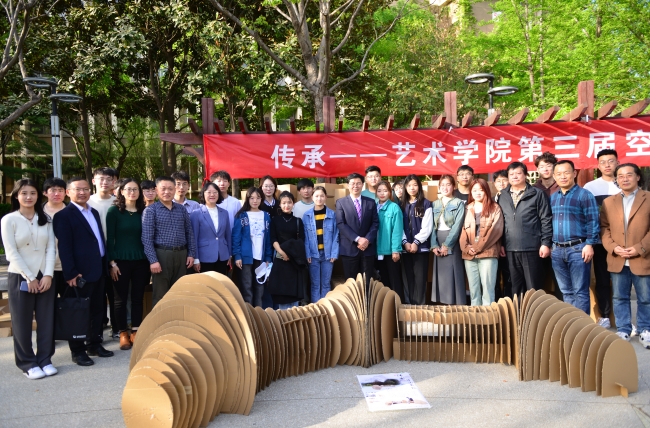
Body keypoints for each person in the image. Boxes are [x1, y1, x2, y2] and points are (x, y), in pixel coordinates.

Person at [53, 177, 114, 366]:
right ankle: (78, 350)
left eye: (85, 189)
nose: (82, 192)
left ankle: (94, 344)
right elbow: (64, 247)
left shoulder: (93, 212)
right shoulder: (64, 216)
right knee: (79, 312)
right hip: (79, 274)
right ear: (68, 192)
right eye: (77, 189)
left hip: (98, 269)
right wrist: (70, 273)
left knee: (97, 310)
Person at [1, 180, 56, 379]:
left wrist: (48, 275)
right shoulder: (9, 219)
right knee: (22, 322)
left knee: (46, 321)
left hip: (44, 275)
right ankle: (27, 363)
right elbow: (11, 253)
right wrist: (30, 278)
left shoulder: (45, 219)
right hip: (20, 276)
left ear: (38, 195)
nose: (28, 197)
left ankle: (45, 360)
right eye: (24, 193)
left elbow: (51, 248)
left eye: (32, 193)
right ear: (16, 196)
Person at [601, 163, 650, 347]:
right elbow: (604, 228)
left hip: (642, 257)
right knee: (619, 297)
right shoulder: (609, 202)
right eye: (620, 176)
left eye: (629, 175)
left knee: (645, 298)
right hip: (618, 258)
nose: (624, 179)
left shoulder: (648, 198)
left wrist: (640, 248)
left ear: (638, 177)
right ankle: (623, 329)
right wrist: (613, 247)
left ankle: (645, 330)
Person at [549, 160, 600, 314]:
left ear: (574, 173)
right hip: (557, 249)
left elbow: (593, 221)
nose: (563, 176)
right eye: (559, 174)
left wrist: (590, 244)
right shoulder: (553, 197)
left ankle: (582, 326)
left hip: (578, 249)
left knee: (580, 291)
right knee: (566, 291)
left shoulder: (584, 195)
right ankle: (572, 324)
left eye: (566, 172)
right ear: (554, 177)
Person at [106, 179, 150, 350]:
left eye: (135, 189)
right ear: (122, 191)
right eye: (128, 189)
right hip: (120, 262)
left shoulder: (144, 211)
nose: (132, 192)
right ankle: (123, 332)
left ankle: (135, 331)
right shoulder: (114, 212)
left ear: (140, 192)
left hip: (141, 261)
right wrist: (112, 263)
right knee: (120, 300)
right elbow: (110, 238)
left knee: (137, 298)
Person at [498, 162, 553, 296]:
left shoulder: (537, 194)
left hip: (532, 247)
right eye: (511, 174)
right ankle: (518, 309)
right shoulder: (503, 195)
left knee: (533, 286)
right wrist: (501, 244)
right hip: (510, 248)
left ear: (525, 175)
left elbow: (546, 219)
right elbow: (500, 222)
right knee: (514, 286)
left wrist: (546, 243)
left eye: (518, 173)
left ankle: (534, 310)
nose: (514, 176)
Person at [141, 176, 196, 306]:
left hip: (182, 254)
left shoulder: (181, 209)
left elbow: (189, 232)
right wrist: (153, 261)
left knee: (180, 291)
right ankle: (160, 319)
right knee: (161, 294)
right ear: (156, 190)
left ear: (175, 190)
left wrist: (191, 254)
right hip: (162, 255)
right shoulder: (150, 211)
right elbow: (147, 239)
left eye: (170, 189)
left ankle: (178, 318)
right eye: (163, 189)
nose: (167, 192)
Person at [584, 149, 620, 328]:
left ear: (617, 163)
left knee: (623, 280)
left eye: (611, 161)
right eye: (603, 162)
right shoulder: (591, 187)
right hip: (600, 241)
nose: (607, 165)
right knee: (603, 279)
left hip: (624, 242)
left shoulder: (624, 183)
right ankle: (605, 315)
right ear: (598, 165)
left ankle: (624, 320)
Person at [460, 179, 504, 306]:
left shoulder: (495, 207)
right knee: (473, 291)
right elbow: (462, 231)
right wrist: (466, 248)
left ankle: (488, 316)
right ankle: (475, 316)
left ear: (486, 191)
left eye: (481, 190)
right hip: (469, 254)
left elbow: (496, 230)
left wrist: (478, 247)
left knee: (488, 290)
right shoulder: (467, 208)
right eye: (474, 190)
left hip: (488, 253)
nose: (477, 193)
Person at [88, 167, 118, 337]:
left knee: (115, 293)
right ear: (94, 181)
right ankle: (97, 330)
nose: (105, 182)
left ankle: (117, 328)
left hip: (114, 254)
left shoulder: (118, 202)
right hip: (95, 255)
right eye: (101, 179)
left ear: (114, 181)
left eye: (109, 179)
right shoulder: (87, 202)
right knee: (97, 295)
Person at [336, 173, 379, 287]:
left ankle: (367, 299)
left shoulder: (370, 202)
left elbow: (375, 223)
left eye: (358, 183)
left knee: (367, 282)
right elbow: (341, 223)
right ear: (348, 185)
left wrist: (367, 240)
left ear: (362, 185)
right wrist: (358, 239)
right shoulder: (341, 202)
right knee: (351, 283)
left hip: (368, 248)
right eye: (352, 183)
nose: (355, 186)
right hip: (349, 248)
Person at [232, 187, 273, 307]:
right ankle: (249, 313)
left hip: (261, 257)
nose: (255, 201)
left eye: (258, 198)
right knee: (247, 286)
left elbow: (269, 238)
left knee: (260, 286)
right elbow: (236, 237)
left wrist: (268, 257)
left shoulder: (266, 216)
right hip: (245, 257)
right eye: (252, 198)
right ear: (247, 199)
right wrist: (237, 256)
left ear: (262, 199)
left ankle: (259, 313)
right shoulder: (241, 215)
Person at [268, 191, 308, 308]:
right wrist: (282, 253)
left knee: (294, 290)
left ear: (293, 204)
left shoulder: (298, 221)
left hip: (294, 259)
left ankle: (294, 315)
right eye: (284, 203)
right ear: (280, 204)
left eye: (289, 202)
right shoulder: (275, 220)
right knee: (281, 289)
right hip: (280, 258)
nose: (287, 205)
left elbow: (301, 239)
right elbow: (273, 238)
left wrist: (290, 254)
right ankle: (282, 316)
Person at [430, 175, 466, 305]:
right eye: (442, 185)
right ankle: (442, 303)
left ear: (453, 186)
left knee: (454, 271)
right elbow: (431, 226)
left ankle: (457, 304)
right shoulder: (435, 204)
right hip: (437, 239)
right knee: (441, 274)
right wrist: (434, 245)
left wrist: (447, 245)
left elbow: (457, 226)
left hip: (452, 240)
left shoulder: (459, 203)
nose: (445, 187)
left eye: (448, 184)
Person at [400, 175, 433, 305]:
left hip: (421, 248)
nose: (412, 188)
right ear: (405, 187)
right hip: (406, 248)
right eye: (409, 185)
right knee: (408, 279)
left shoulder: (426, 203)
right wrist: (405, 242)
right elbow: (399, 227)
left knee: (420, 280)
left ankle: (420, 309)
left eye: (415, 185)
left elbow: (427, 227)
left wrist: (416, 242)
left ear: (419, 186)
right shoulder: (401, 205)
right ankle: (409, 307)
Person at [303, 186, 339, 303]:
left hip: (328, 255)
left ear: (326, 197)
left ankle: (324, 309)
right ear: (312, 197)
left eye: (322, 196)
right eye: (317, 196)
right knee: (315, 284)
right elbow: (305, 237)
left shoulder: (332, 215)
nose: (319, 198)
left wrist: (334, 253)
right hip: (313, 255)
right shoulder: (307, 215)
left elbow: (336, 235)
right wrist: (307, 253)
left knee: (326, 284)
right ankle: (316, 309)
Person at [190, 182, 231, 276]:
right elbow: (194, 238)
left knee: (220, 282)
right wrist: (196, 258)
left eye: (215, 192)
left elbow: (228, 235)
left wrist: (229, 254)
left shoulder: (224, 213)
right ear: (203, 194)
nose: (212, 195)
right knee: (206, 283)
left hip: (222, 255)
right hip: (204, 257)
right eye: (209, 192)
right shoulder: (196, 213)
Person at [375, 181, 404, 301]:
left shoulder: (394, 208)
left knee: (394, 280)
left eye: (385, 191)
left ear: (390, 192)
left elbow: (397, 230)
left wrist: (395, 250)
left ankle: (398, 305)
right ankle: (386, 306)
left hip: (390, 251)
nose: (382, 193)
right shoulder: (374, 207)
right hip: (377, 251)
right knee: (383, 281)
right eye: (379, 191)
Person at [42, 177, 66, 297]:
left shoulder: (73, 213)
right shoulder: (37, 213)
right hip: (44, 269)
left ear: (66, 192)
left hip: (67, 268)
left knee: (70, 304)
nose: (57, 194)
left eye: (60, 190)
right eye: (53, 190)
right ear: (45, 193)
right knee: (47, 305)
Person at [492, 170, 511, 299]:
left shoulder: (512, 199)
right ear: (494, 183)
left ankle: (509, 303)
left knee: (508, 276)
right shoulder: (491, 200)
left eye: (504, 180)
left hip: (508, 243)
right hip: (493, 244)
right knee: (494, 277)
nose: (502, 183)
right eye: (498, 181)